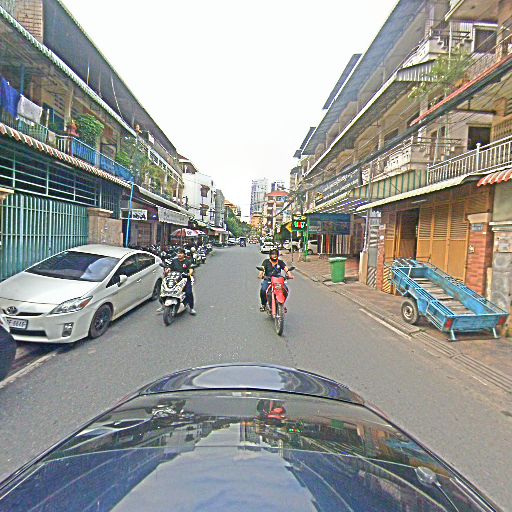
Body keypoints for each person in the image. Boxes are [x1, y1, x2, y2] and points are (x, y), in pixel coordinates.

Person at [158, 248, 196, 315]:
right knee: (163, 290)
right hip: (174, 278)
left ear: (184, 254)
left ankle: (191, 308)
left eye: (181, 253)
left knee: (189, 293)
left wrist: (189, 274)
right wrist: (167, 270)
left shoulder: (187, 261)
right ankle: (163, 305)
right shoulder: (174, 261)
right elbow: (170, 268)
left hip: (185, 279)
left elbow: (191, 269)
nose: (179, 254)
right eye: (178, 253)